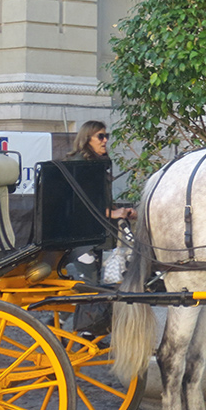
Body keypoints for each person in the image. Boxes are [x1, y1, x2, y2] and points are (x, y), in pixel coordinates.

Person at [62, 120, 134, 337]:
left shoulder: (99, 163)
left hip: (98, 234)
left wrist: (121, 211)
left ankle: (60, 323)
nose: (105, 141)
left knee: (102, 282)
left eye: (106, 136)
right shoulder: (80, 164)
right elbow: (79, 202)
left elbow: (101, 199)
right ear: (87, 139)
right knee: (91, 285)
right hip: (81, 236)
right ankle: (85, 333)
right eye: (100, 136)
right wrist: (111, 213)